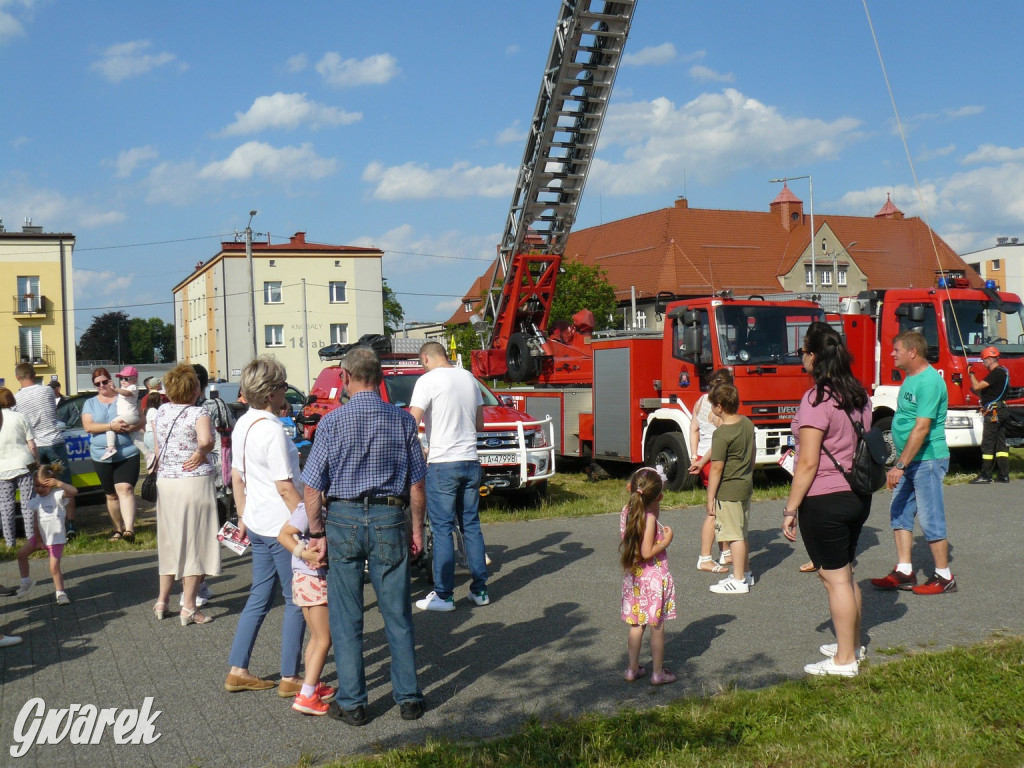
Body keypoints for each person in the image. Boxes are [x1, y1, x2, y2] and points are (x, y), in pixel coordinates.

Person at [302, 346, 427, 726]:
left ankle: (354, 703)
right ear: (380, 378)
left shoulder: (331, 422)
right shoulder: (403, 421)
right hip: (391, 515)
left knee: (346, 615)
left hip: (343, 517)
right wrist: (416, 528)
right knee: (397, 613)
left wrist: (316, 533)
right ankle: (408, 699)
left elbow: (311, 488)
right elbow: (418, 484)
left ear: (346, 377)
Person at [781, 322, 873, 677]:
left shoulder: (817, 398)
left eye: (803, 351)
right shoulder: (858, 394)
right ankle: (851, 645)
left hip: (825, 497)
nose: (801, 357)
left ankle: (844, 660)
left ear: (814, 356)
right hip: (857, 494)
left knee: (834, 579)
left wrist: (790, 508)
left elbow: (807, 462)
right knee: (846, 575)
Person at [225, 357, 305, 697]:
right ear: (271, 392)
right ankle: (291, 676)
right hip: (280, 524)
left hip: (257, 521)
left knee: (259, 594)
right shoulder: (272, 429)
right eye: (283, 385)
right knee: (297, 599)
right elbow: (285, 486)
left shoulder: (243, 423)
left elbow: (237, 476)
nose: (285, 390)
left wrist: (243, 516)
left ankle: (238, 668)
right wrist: (308, 522)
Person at [870, 330, 956, 595]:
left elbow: (921, 428)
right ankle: (904, 570)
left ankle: (944, 577)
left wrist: (900, 465)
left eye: (896, 350)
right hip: (910, 461)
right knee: (900, 512)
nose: (892, 354)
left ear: (912, 352)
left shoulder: (929, 382)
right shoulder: (910, 378)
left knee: (931, 517)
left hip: (927, 460)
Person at [408, 341, 488, 611]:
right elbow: (480, 424)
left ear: (425, 358)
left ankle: (443, 595)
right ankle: (480, 590)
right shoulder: (469, 378)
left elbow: (412, 420)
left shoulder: (427, 380)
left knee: (442, 529)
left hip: (443, 463)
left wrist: (422, 445)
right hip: (470, 460)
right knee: (471, 525)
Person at [151, 363, 221, 625]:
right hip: (192, 482)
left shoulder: (162, 411)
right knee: (195, 541)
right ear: (194, 389)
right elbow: (205, 441)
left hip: (167, 480)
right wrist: (200, 453)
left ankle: (162, 600)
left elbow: (158, 449)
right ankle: (189, 607)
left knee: (169, 540)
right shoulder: (198, 412)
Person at [277, 504, 336, 716]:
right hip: (313, 579)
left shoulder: (312, 506)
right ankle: (308, 695)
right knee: (324, 639)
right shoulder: (312, 509)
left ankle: (310, 685)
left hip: (303, 580)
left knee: (315, 637)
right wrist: (304, 554)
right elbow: (284, 535)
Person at [619, 466, 676, 686]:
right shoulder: (649, 517)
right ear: (659, 497)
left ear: (630, 488)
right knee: (657, 625)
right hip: (652, 578)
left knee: (636, 625)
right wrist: (665, 541)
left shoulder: (627, 512)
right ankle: (657, 673)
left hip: (635, 578)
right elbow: (646, 552)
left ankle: (632, 669)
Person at [14, 363, 76, 539]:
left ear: (18, 377)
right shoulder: (47, 391)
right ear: (34, 374)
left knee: (38, 486)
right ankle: (70, 524)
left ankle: (43, 524)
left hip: (34, 445)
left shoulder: (17, 398)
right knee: (64, 483)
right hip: (54, 441)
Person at [704, 383, 756, 595]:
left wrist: (710, 498)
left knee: (733, 535)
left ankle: (738, 579)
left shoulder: (721, 434)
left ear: (719, 407)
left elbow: (716, 469)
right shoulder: (747, 423)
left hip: (728, 490)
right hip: (744, 485)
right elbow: (752, 454)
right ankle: (746, 572)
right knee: (741, 532)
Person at [81, 367, 141, 542]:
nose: (101, 385)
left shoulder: (124, 396)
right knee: (111, 494)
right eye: (97, 384)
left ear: (111, 381)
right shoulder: (90, 403)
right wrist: (110, 427)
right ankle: (117, 529)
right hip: (101, 454)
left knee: (126, 488)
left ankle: (129, 530)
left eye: (104, 381)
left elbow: (140, 418)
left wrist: (134, 427)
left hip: (127, 452)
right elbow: (88, 427)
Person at [688, 368, 732, 573]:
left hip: (703, 459)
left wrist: (693, 456)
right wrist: (703, 459)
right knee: (714, 510)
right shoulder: (720, 409)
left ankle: (725, 552)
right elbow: (719, 440)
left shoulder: (700, 401)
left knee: (719, 507)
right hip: (713, 460)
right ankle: (705, 557)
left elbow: (693, 429)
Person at [15, 462, 77, 604]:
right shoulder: (35, 501)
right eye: (37, 486)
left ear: (51, 483)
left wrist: (59, 483)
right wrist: (38, 540)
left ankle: (60, 593)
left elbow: (74, 492)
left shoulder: (58, 495)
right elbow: (36, 522)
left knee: (53, 567)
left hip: (56, 538)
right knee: (21, 554)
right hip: (40, 537)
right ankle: (26, 582)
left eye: (44, 485)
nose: (40, 489)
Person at [0, 387, 38, 548]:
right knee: (27, 504)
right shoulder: (20, 417)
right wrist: (37, 462)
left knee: (6, 507)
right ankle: (31, 541)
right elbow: (32, 445)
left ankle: (10, 543)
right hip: (24, 464)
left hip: (2, 468)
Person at [968, 346, 1010, 484]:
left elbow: (977, 386)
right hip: (1001, 410)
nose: (983, 363)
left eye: (984, 360)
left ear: (990, 359)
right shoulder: (1004, 372)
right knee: (1000, 444)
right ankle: (1004, 474)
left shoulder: (995, 373)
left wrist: (971, 373)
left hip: (993, 412)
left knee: (988, 443)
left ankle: (986, 475)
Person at [102, 366, 141, 461]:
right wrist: (111, 387)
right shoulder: (123, 388)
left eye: (126, 379)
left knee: (111, 426)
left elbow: (126, 393)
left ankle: (111, 447)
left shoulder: (133, 387)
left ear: (134, 380)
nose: (123, 380)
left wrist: (115, 388)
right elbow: (120, 392)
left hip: (129, 415)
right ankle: (148, 454)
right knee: (135, 437)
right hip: (127, 416)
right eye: (121, 378)